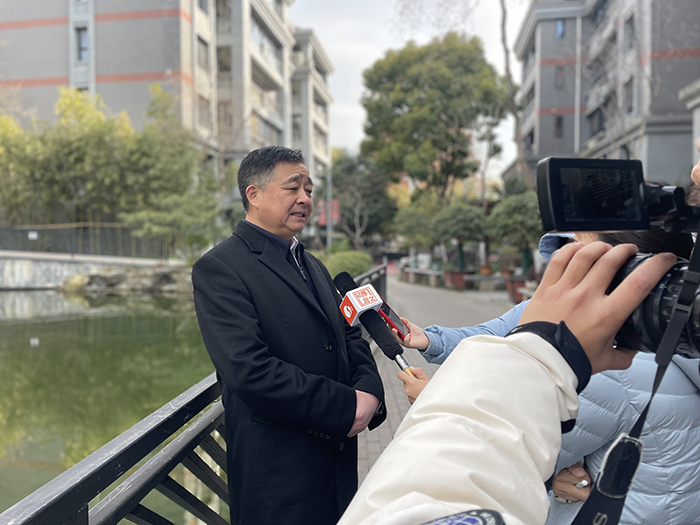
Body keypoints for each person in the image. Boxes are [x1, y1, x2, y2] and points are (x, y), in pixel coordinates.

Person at [337, 241, 676, 525]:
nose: (566, 259)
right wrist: (431, 340)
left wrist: (433, 398)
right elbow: (501, 335)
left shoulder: (614, 368)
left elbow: (493, 460)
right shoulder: (649, 331)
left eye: (581, 249)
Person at [192, 146, 386, 525]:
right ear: (253, 194)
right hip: (280, 474)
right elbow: (249, 370)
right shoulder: (220, 268)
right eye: (292, 188)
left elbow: (350, 335)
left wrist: (370, 391)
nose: (305, 199)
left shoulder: (313, 264)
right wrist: (345, 407)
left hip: (335, 463)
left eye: (309, 190)